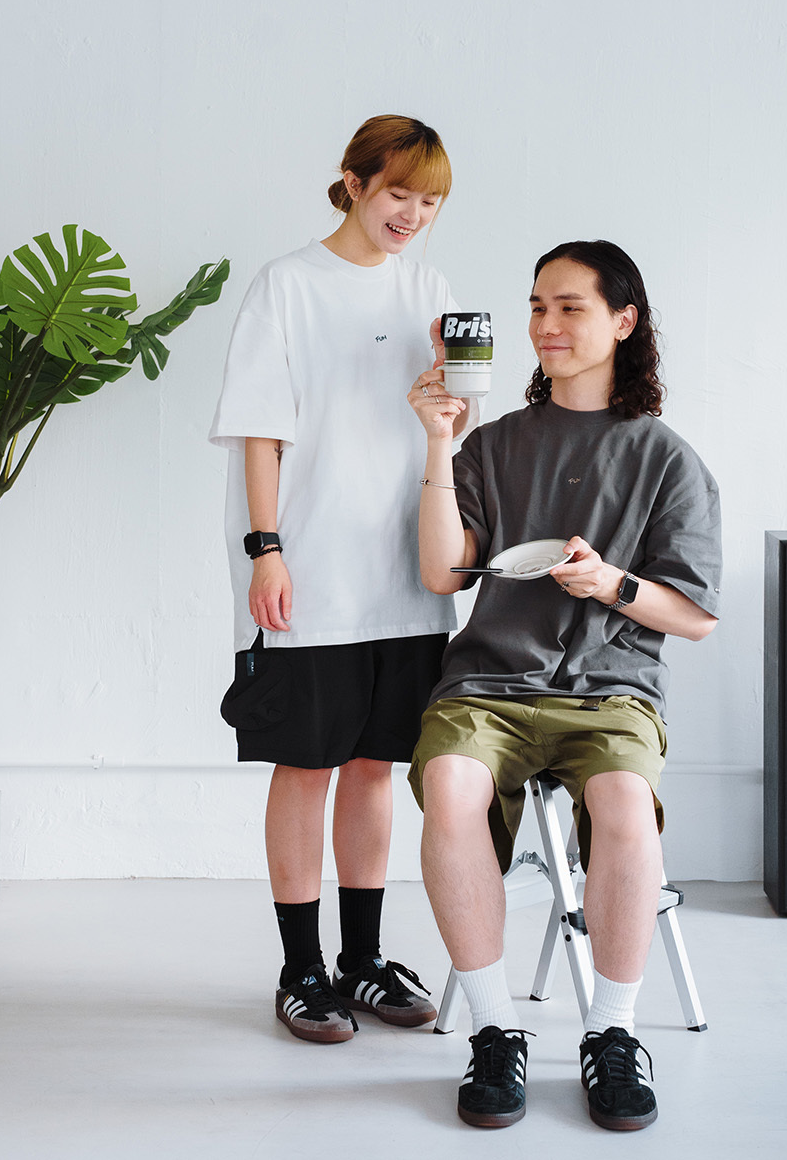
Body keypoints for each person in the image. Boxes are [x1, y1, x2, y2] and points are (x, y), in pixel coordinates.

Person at [407, 239, 721, 1130]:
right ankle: (493, 1029)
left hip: (611, 690)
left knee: (623, 804)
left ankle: (612, 1033)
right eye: (537, 307)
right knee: (449, 784)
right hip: (490, 685)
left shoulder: (666, 459)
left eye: (570, 307)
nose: (546, 325)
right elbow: (442, 572)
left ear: (623, 322)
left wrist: (611, 584)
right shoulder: (495, 443)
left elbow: (695, 617)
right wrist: (440, 443)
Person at [210, 115, 473, 1045]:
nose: (413, 214)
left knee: (374, 766)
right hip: (311, 570)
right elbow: (261, 430)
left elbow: (449, 425)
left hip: (406, 572)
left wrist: (449, 395)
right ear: (354, 182)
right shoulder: (286, 286)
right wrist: (266, 548)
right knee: (306, 765)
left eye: (430, 201)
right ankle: (301, 969)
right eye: (398, 192)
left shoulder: (429, 290)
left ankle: (362, 960)